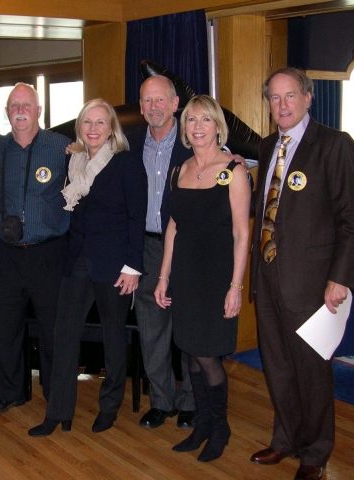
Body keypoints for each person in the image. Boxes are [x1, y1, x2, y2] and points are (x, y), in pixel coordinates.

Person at [249, 68, 354, 480]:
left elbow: (353, 220)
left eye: (290, 96)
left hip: (314, 284)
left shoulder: (334, 146)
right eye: (274, 98)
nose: (281, 105)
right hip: (268, 278)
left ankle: (315, 451)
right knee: (278, 366)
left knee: (312, 372)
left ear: (308, 98)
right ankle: (285, 440)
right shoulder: (266, 148)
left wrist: (341, 277)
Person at [28, 98, 148, 437]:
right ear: (80, 127)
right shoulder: (76, 162)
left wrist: (133, 266)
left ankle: (109, 407)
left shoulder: (126, 163)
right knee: (63, 335)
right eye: (87, 122)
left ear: (111, 128)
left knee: (112, 338)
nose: (93, 128)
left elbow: (137, 217)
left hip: (115, 265)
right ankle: (58, 412)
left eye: (100, 122)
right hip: (78, 260)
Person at [155, 95, 250, 462]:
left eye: (205, 120)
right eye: (191, 120)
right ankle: (203, 425)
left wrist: (236, 286)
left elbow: (242, 234)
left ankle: (220, 427)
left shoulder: (234, 171)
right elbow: (173, 228)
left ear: (217, 127)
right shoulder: (180, 171)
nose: (197, 126)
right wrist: (163, 277)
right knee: (191, 351)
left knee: (208, 355)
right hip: (186, 274)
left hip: (217, 276)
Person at [0, 83, 70, 415]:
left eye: (27, 105)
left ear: (39, 111)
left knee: (52, 330)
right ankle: (10, 393)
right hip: (5, 253)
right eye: (14, 105)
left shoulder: (62, 148)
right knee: (4, 327)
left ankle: (55, 393)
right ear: (7, 112)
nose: (20, 110)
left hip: (48, 251)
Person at [126, 74, 197, 431]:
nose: (153, 107)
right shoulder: (130, 143)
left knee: (186, 326)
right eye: (146, 101)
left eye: (160, 100)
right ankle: (162, 400)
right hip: (146, 249)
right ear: (140, 107)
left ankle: (190, 402)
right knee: (151, 329)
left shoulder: (193, 143)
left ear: (174, 104)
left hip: (185, 249)